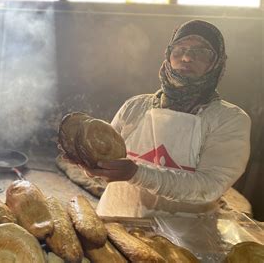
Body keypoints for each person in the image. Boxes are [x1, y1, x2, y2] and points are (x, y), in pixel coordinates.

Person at [89, 20, 251, 217]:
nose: (186, 58)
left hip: (184, 238)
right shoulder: (135, 106)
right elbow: (107, 158)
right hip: (118, 224)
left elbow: (210, 186)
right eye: (178, 50)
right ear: (167, 57)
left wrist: (136, 174)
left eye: (201, 52)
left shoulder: (228, 119)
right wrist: (92, 165)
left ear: (217, 63)